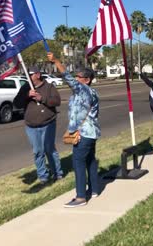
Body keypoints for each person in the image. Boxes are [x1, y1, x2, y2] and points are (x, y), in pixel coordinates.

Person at [47, 52, 100, 208]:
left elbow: (67, 77)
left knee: (78, 162)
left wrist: (56, 61)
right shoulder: (92, 92)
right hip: (91, 132)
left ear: (87, 80)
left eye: (79, 77)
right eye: (76, 76)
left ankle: (81, 197)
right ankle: (95, 189)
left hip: (84, 133)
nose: (76, 79)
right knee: (90, 160)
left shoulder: (83, 90)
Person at [13, 65, 63, 184]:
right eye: (27, 75)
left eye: (30, 74)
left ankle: (57, 173)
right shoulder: (25, 88)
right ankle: (43, 176)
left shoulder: (49, 87)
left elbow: (57, 101)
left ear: (38, 74)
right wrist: (27, 96)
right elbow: (16, 104)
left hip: (48, 123)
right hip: (31, 125)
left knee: (49, 149)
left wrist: (42, 98)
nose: (28, 77)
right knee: (37, 151)